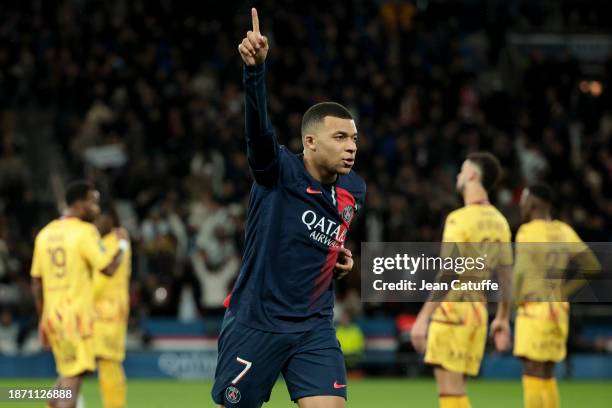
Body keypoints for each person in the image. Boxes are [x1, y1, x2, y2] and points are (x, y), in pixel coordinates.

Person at [212, 8, 366, 408]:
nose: (351, 146)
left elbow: (326, 233)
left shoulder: (355, 189)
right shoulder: (276, 170)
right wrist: (255, 72)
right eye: (340, 137)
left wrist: (340, 256)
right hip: (255, 322)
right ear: (311, 143)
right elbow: (258, 131)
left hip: (313, 327)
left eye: (354, 138)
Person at [411, 152, 513, 408]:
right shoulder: (500, 222)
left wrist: (423, 318)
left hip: (453, 311)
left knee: (450, 393)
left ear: (472, 175)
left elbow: (449, 272)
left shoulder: (459, 218)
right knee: (458, 391)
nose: (458, 175)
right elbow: (506, 277)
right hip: (478, 313)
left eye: (461, 169)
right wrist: (501, 317)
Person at [31, 181, 128, 408]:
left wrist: (42, 319)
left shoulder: (45, 234)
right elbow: (109, 269)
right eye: (92, 202)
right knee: (74, 378)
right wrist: (122, 245)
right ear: (79, 204)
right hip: (76, 318)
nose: (96, 208)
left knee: (66, 376)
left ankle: (53, 402)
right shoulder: (85, 232)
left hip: (53, 316)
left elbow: (36, 282)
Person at [513, 183, 600, 408]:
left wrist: (510, 304)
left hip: (534, 307)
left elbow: (519, 272)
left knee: (531, 369)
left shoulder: (527, 232)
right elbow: (592, 266)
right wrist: (566, 291)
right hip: (558, 309)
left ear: (532, 203)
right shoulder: (564, 230)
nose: (521, 203)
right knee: (547, 372)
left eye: (523, 199)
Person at [93, 204, 132, 408]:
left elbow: (101, 278)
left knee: (107, 362)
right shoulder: (119, 239)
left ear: (110, 219)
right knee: (108, 364)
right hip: (107, 310)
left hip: (105, 312)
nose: (96, 223)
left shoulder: (112, 241)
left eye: (100, 218)